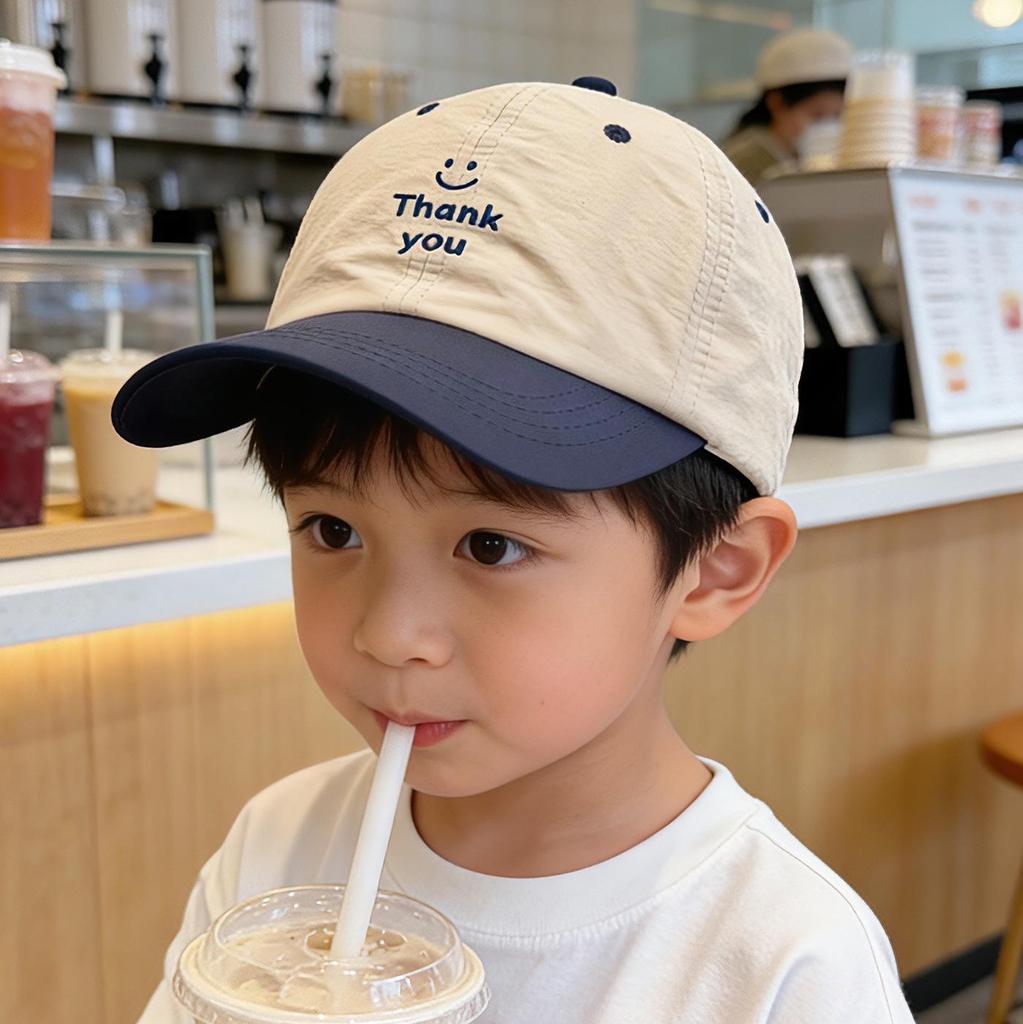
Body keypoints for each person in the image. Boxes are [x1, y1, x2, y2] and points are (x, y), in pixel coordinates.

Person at [116, 77, 915, 1023]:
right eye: (332, 529)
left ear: (714, 569)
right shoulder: (280, 854)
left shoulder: (779, 962)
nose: (390, 634)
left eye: (490, 544)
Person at [723, 27, 852, 185]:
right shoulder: (743, 164)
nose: (828, 126)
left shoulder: (796, 156)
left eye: (838, 115)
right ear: (776, 103)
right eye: (817, 115)